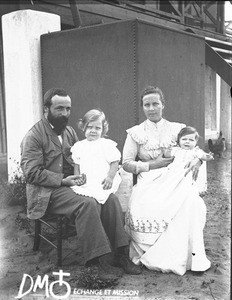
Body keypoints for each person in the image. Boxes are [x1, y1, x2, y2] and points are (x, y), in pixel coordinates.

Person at [20, 88, 141, 278]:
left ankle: (120, 255)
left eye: (68, 109)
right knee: (88, 204)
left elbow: (81, 158)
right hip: (47, 193)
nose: (65, 113)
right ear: (46, 109)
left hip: (74, 185)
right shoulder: (34, 136)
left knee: (110, 200)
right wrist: (62, 180)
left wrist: (104, 172)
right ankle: (95, 262)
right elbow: (31, 173)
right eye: (59, 108)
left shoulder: (68, 132)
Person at [122, 85, 211, 276]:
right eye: (147, 105)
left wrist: (197, 160)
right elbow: (126, 163)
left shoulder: (177, 129)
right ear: (142, 108)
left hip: (175, 177)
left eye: (156, 103)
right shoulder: (135, 133)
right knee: (145, 203)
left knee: (191, 202)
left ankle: (187, 257)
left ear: (163, 105)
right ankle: (152, 253)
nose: (152, 108)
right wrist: (152, 164)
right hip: (148, 180)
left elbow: (194, 148)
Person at [70, 109, 122, 204]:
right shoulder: (79, 146)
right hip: (87, 182)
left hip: (103, 180)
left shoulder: (106, 145)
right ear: (83, 128)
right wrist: (77, 177)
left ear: (103, 129)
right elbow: (76, 165)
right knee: (88, 199)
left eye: (97, 128)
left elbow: (115, 161)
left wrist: (110, 177)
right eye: (90, 127)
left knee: (105, 197)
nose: (93, 131)